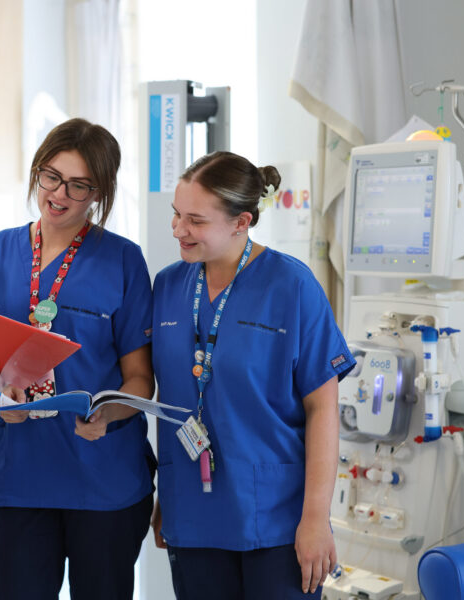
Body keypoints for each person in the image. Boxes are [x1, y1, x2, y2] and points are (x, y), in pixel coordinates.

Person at [0, 118, 155, 600]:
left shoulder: (123, 261)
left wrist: (109, 414)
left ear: (99, 193)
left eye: (78, 185)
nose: (59, 193)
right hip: (21, 479)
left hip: (103, 479)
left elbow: (140, 380)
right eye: (51, 176)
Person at [150, 151, 355, 599]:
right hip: (192, 509)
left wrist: (316, 520)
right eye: (176, 215)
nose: (179, 230)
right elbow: (175, 398)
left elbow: (323, 408)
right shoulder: (168, 287)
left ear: (241, 223)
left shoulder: (292, 286)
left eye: (196, 221)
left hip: (277, 521)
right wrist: (168, 496)